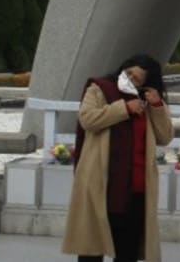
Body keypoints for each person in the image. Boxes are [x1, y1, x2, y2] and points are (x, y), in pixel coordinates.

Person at [62, 54, 173, 262]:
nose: (131, 79)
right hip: (100, 182)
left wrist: (157, 106)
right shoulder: (100, 88)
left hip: (135, 188)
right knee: (91, 249)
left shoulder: (146, 100)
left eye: (137, 79)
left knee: (127, 250)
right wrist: (124, 108)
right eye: (129, 72)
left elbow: (164, 136)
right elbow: (87, 119)